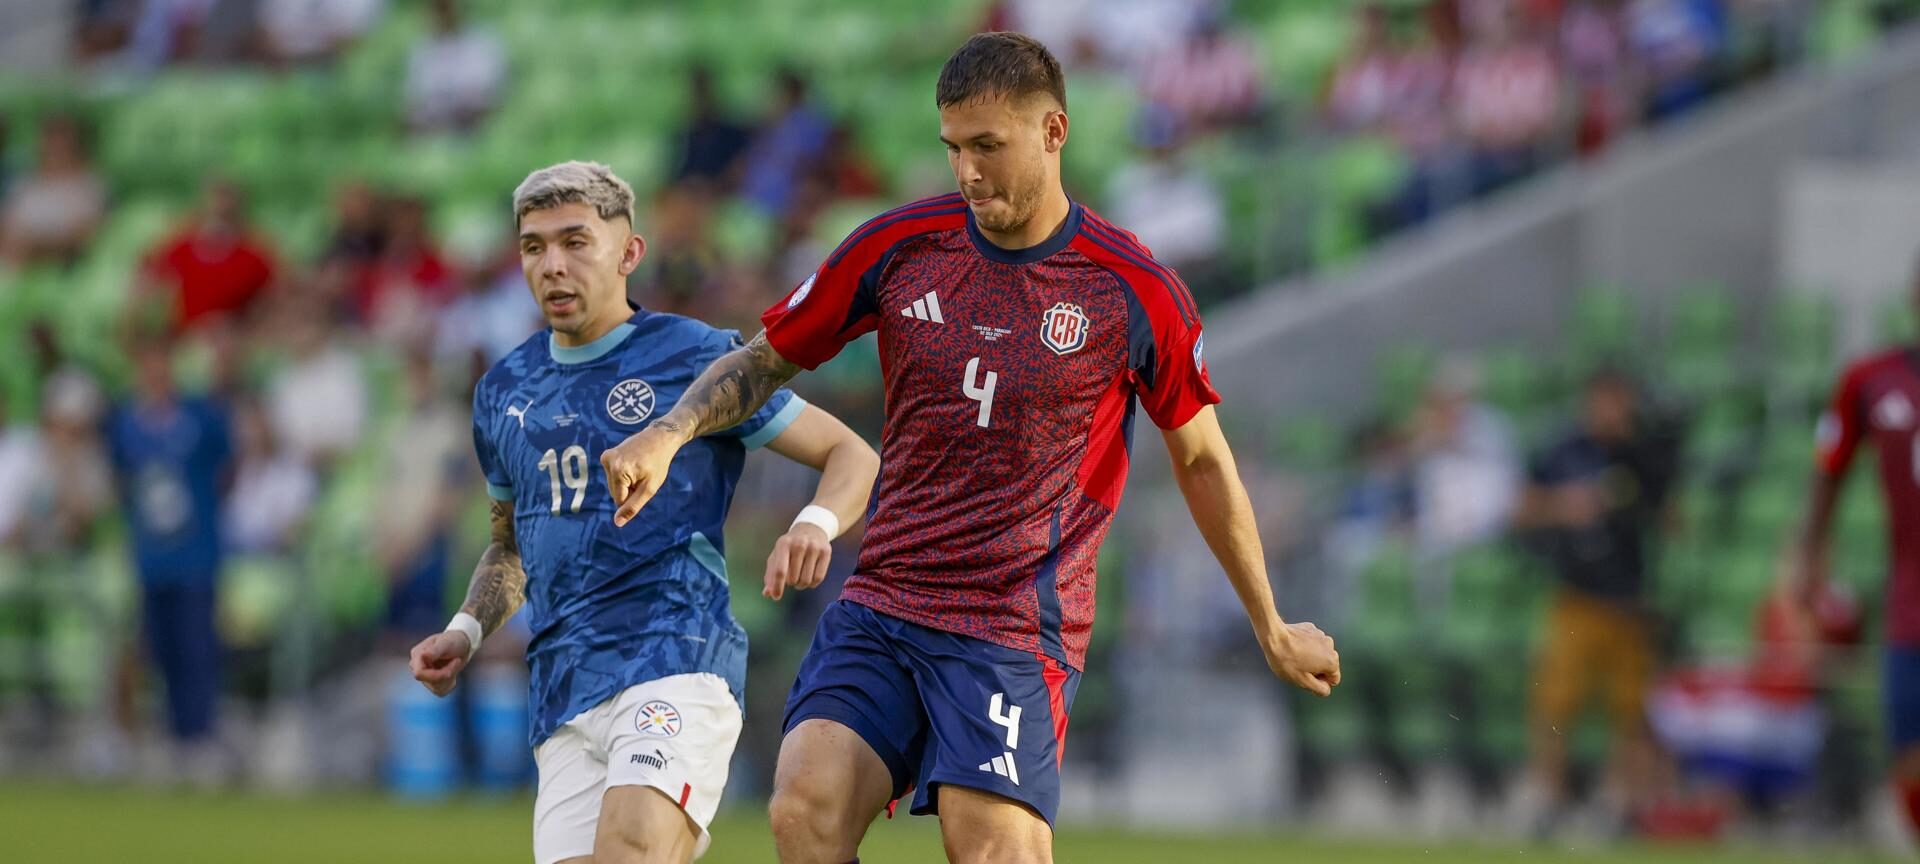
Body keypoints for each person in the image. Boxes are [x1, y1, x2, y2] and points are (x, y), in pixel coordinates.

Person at [599, 33, 1341, 864]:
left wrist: (1270, 623)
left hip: (1012, 623)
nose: (968, 172)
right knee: (805, 807)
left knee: (990, 847)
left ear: (1054, 132)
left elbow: (1202, 460)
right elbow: (763, 360)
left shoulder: (1130, 288)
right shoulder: (901, 246)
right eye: (953, 147)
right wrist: (668, 433)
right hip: (884, 600)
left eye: (988, 146)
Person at [407, 161, 879, 864]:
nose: (553, 265)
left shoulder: (695, 356)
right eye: (534, 246)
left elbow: (851, 454)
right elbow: (512, 545)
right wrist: (466, 629)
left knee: (631, 851)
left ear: (629, 253)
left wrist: (814, 524)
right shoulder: (503, 390)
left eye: (575, 241)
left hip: (675, 658)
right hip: (564, 688)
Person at [1512, 369, 1680, 836]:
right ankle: (1548, 797)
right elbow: (1522, 508)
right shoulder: (1563, 451)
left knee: (1630, 710)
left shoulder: (1643, 455)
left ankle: (1619, 802)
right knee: (1556, 703)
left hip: (1629, 601)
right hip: (1577, 598)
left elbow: (1671, 517)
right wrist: (1563, 505)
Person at [1796, 269, 1920, 839]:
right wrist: (1809, 557)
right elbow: (1829, 469)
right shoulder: (1870, 379)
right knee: (1908, 754)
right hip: (1911, 599)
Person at [103, 335, 235, 781]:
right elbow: (121, 478)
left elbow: (226, 468)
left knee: (197, 648)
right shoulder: (128, 422)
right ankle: (169, 736)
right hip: (152, 557)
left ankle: (199, 738)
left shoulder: (199, 418)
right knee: (158, 650)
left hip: (195, 555)